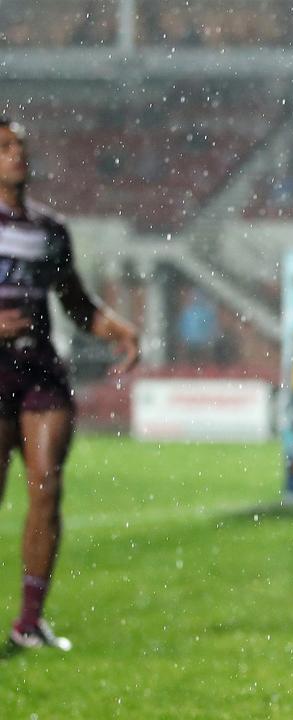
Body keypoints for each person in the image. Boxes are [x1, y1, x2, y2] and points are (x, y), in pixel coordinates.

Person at [0, 119, 141, 651]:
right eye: (5, 147)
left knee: (47, 488)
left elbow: (76, 304)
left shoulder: (49, 229)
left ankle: (29, 621)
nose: (17, 155)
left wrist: (116, 328)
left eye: (21, 147)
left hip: (39, 368)